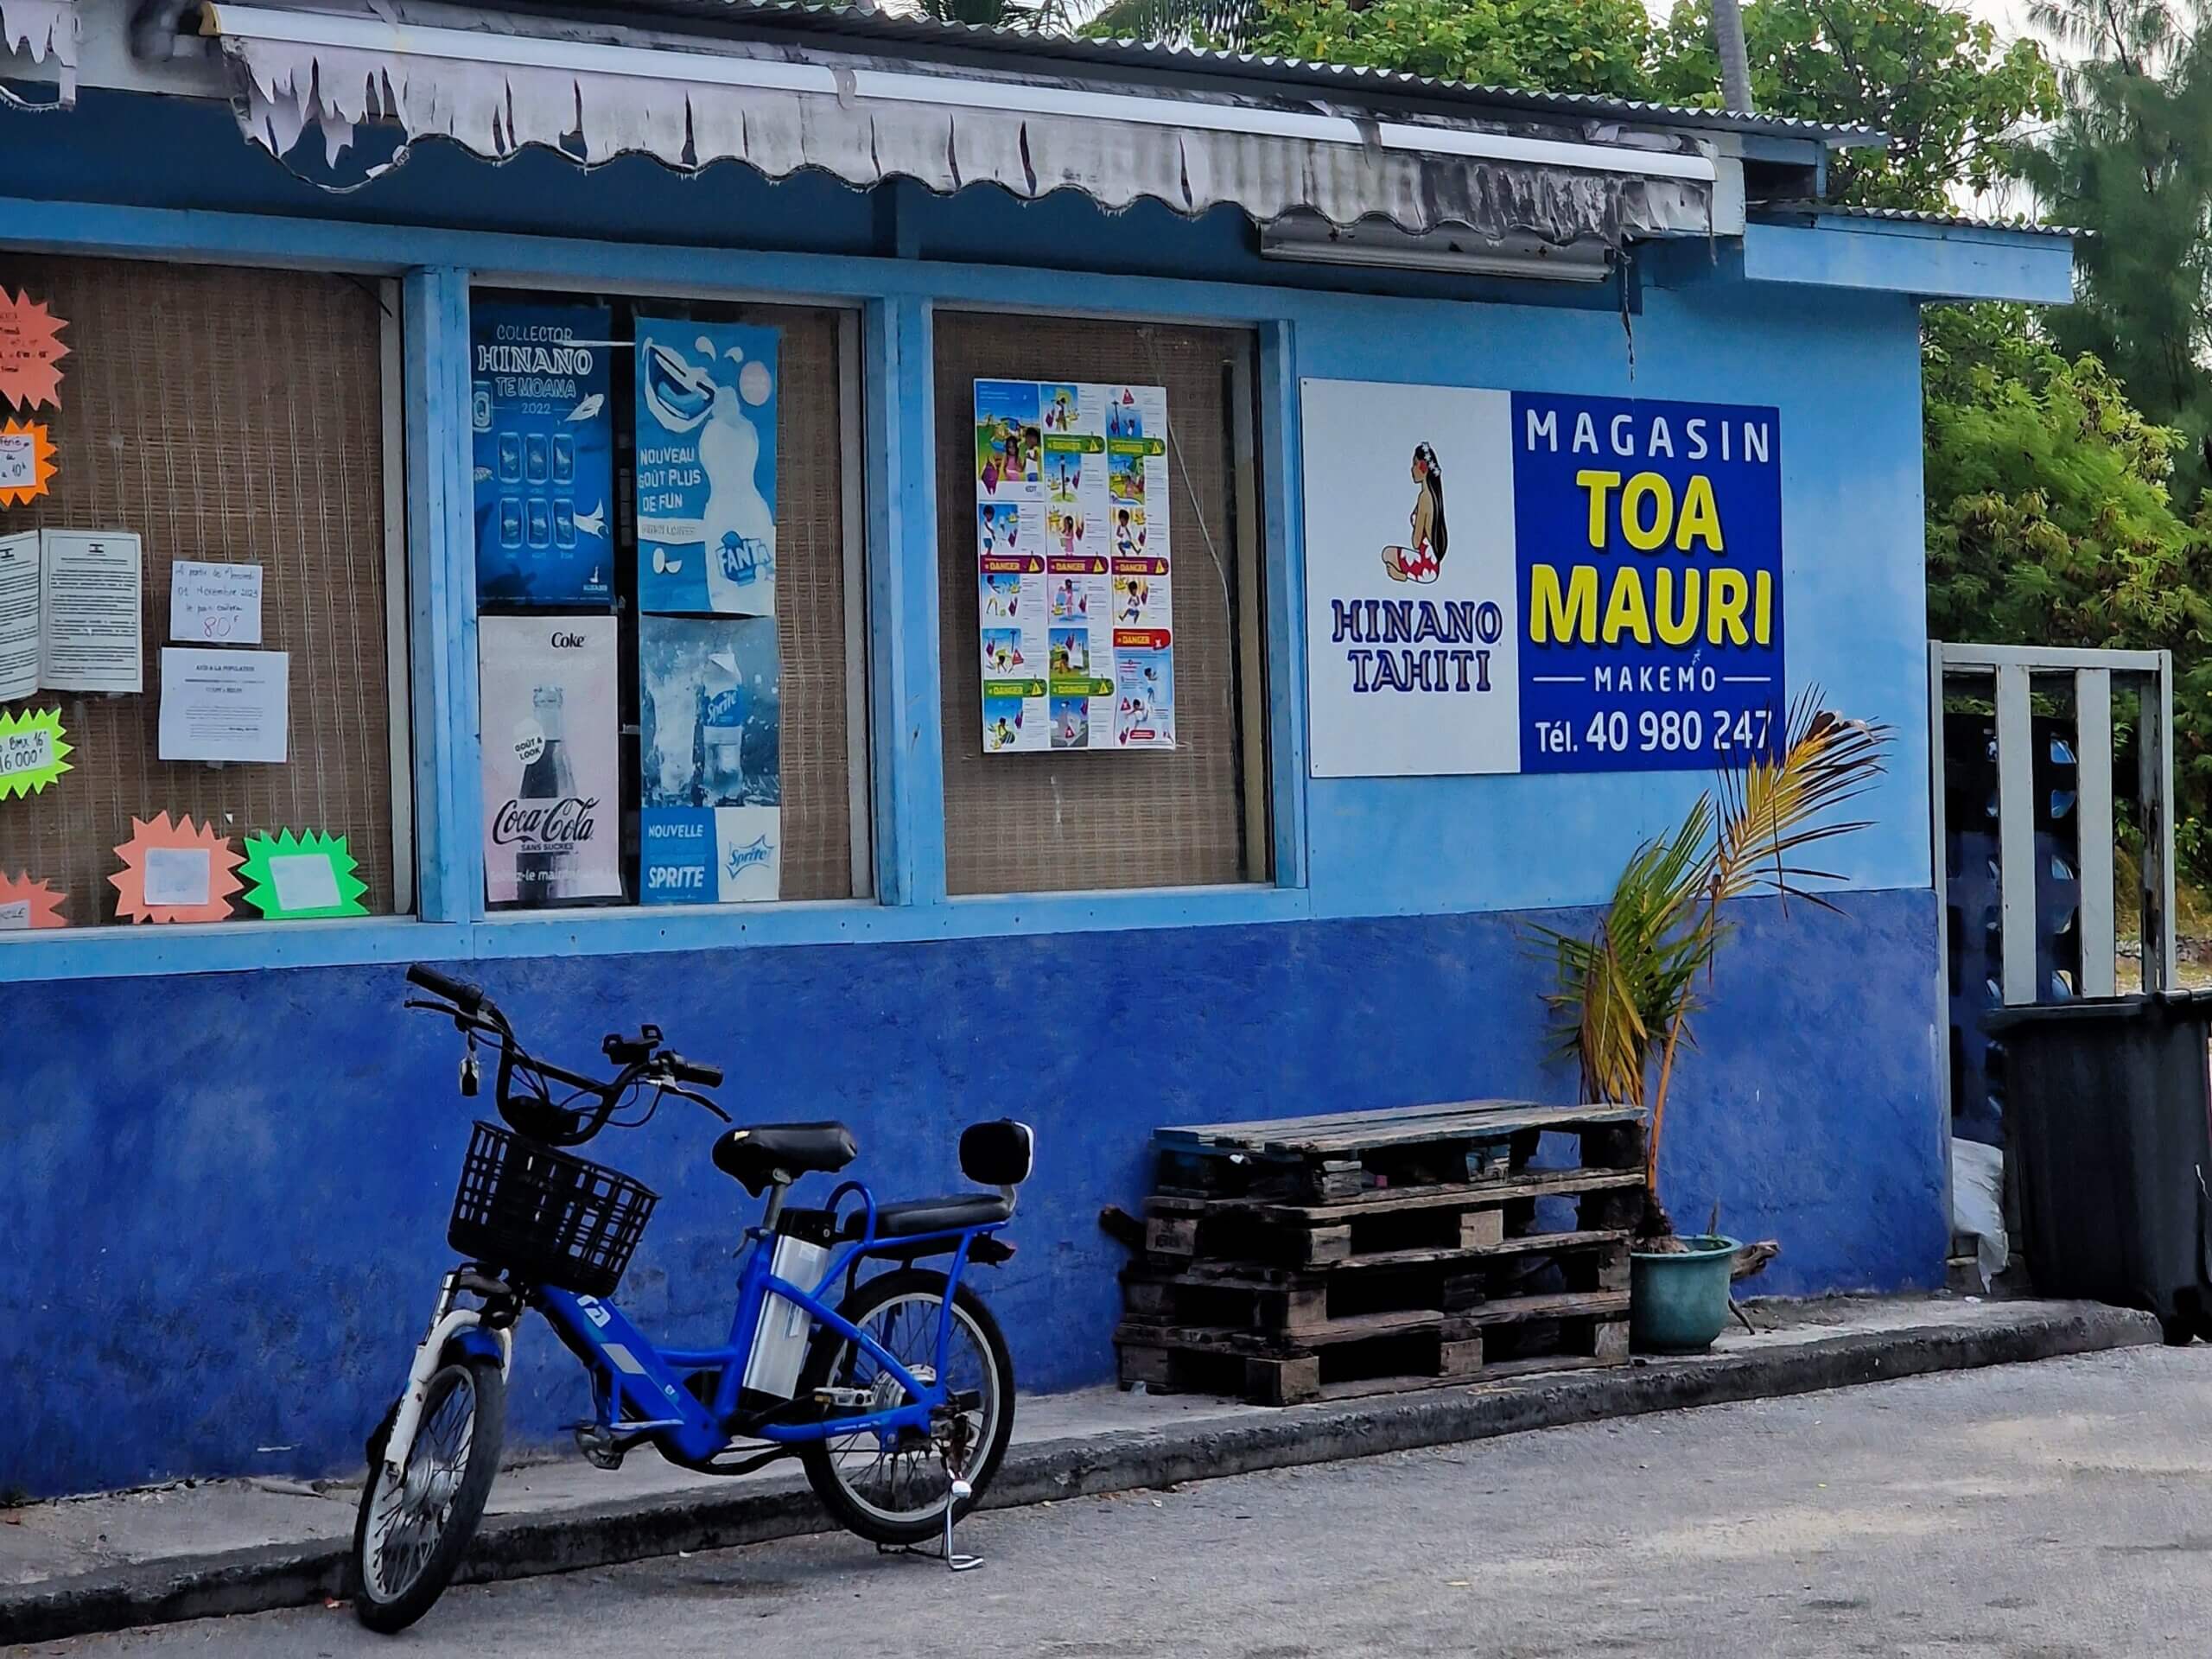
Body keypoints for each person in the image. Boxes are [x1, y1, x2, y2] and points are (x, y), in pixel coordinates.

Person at [1381, 442, 1448, 584]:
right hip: (1432, 563)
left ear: (1422, 467)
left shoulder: (1425, 498)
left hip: (1425, 566)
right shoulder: (1433, 496)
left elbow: (1416, 542)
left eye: (1414, 464)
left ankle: (1401, 576)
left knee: (1387, 554)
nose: (1412, 469)